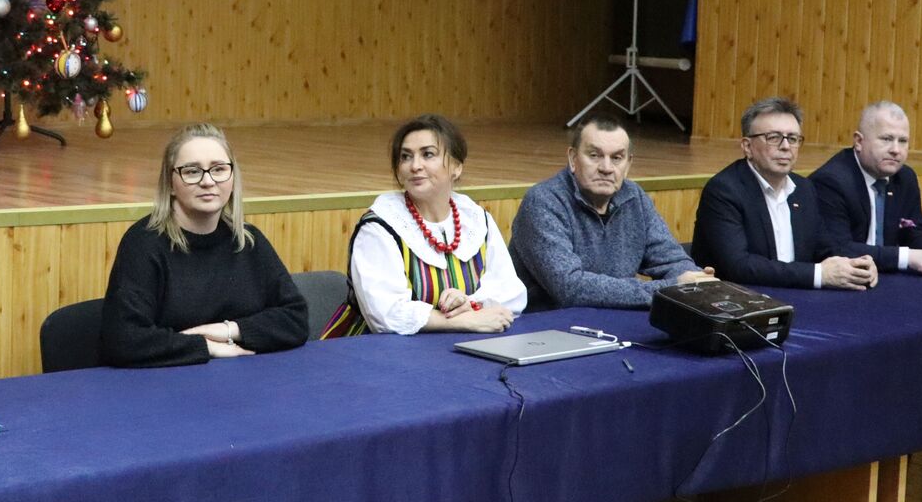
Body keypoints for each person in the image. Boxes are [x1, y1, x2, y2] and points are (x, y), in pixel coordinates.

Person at [101, 123, 308, 366]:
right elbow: (123, 339)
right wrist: (206, 346)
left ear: (232, 177)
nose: (208, 181)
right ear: (170, 183)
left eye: (219, 169)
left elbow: (296, 319)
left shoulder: (248, 240)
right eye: (192, 171)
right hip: (165, 382)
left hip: (241, 378)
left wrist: (227, 330)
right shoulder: (143, 244)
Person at [323, 114, 524, 336]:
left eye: (428, 154)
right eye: (406, 157)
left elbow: (511, 293)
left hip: (455, 342)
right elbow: (384, 314)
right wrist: (461, 320)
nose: (415, 166)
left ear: (457, 167)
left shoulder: (476, 219)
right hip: (372, 349)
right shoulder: (380, 226)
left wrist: (468, 304)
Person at [510, 112, 713, 309]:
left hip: (613, 318)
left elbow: (670, 258)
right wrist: (670, 289)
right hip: (547, 324)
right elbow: (569, 288)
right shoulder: (543, 202)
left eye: (616, 158)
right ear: (573, 159)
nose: (606, 168)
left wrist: (697, 281)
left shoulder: (634, 197)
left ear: (628, 164)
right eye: (594, 155)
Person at [690, 97, 876, 290]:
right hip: (739, 298)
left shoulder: (804, 188)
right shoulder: (724, 190)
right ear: (747, 146)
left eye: (793, 139)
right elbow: (739, 266)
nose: (786, 146)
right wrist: (819, 274)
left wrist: (857, 265)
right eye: (773, 137)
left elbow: (825, 248)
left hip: (796, 296)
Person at [810, 101, 922, 276]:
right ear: (859, 142)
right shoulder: (831, 181)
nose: (896, 150)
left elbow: (913, 229)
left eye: (902, 141)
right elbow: (839, 249)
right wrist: (907, 257)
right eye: (886, 139)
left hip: (886, 276)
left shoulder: (905, 177)